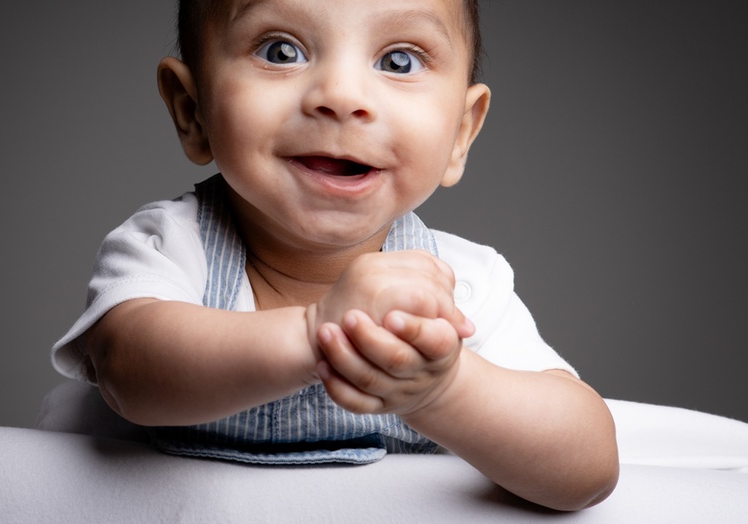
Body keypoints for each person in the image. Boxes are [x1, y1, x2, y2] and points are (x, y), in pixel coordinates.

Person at [52, 0, 619, 511]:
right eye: (281, 50)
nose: (342, 97)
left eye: (399, 61)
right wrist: (316, 334)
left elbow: (587, 468)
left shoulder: (466, 287)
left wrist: (446, 390)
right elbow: (129, 371)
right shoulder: (171, 245)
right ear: (192, 109)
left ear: (460, 135)